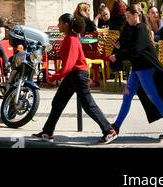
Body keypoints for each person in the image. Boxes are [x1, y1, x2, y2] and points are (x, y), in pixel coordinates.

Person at [107, 5, 163, 140]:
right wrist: (121, 48)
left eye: (128, 16)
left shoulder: (140, 29)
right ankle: (116, 126)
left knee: (153, 97)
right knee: (127, 96)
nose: (126, 19)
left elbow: (136, 50)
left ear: (136, 15)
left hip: (145, 68)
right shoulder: (132, 28)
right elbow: (129, 46)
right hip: (137, 68)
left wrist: (118, 55)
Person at [34, 15, 114, 143]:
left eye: (59, 23)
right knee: (58, 102)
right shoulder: (70, 38)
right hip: (73, 75)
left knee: (88, 105)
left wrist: (54, 77)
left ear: (66, 24)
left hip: (78, 75)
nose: (58, 25)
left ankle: (109, 131)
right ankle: (47, 132)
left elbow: (69, 65)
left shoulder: (71, 39)